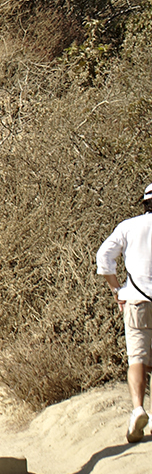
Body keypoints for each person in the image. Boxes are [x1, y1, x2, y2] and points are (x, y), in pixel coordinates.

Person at [94, 184, 152, 443]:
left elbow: (104, 255)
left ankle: (138, 408)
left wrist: (116, 289)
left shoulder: (129, 226)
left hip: (136, 299)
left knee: (137, 357)